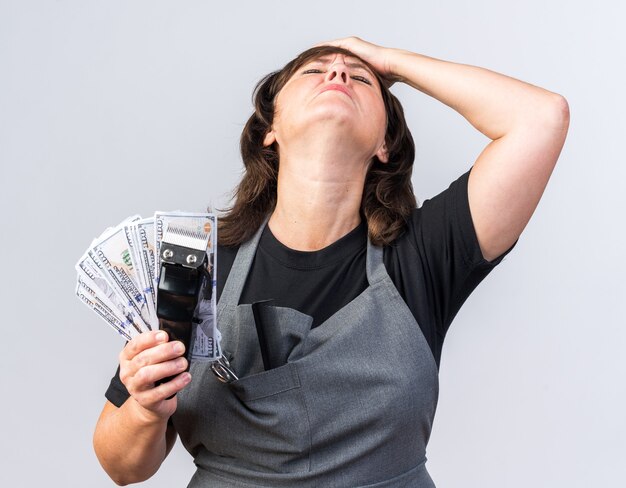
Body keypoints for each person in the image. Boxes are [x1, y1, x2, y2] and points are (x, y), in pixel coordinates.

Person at [93, 37, 569, 487]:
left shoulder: (424, 255)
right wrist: (144, 408)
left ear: (385, 143)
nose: (339, 69)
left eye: (361, 79)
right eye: (315, 69)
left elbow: (541, 118)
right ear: (270, 131)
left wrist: (389, 60)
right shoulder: (197, 263)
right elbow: (122, 467)